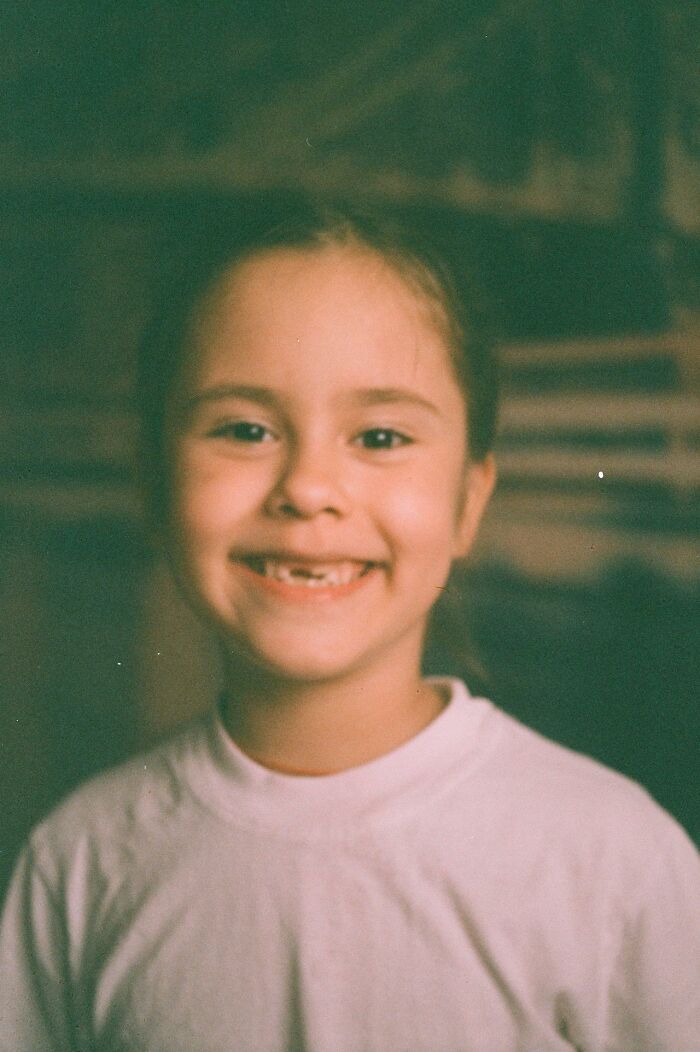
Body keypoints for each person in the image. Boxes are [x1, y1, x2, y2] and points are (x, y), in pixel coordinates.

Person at [0, 199, 698, 1052]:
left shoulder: (611, 859)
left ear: (470, 499)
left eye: (379, 435)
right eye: (245, 429)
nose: (308, 488)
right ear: (154, 487)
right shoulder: (81, 865)